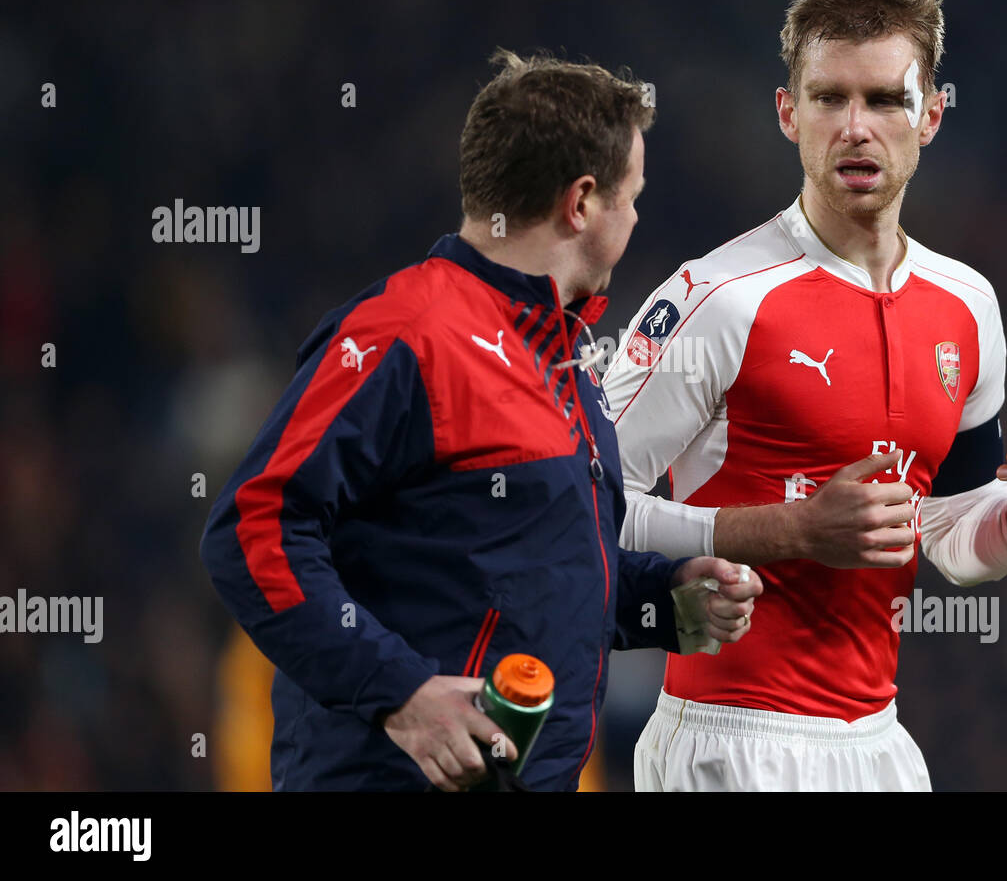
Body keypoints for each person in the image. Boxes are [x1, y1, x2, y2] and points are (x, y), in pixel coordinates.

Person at [199, 48, 762, 792]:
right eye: (632, 196)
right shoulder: (406, 334)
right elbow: (253, 527)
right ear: (582, 202)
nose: (635, 217)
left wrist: (659, 600)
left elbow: (511, 573)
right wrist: (399, 693)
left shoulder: (564, 363)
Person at [603, 0, 1007, 791]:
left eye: (886, 100)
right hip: (728, 743)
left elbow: (948, 533)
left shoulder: (969, 307)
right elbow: (584, 512)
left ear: (931, 115)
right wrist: (788, 531)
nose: (856, 128)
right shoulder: (716, 300)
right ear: (789, 113)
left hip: (880, 748)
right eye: (829, 98)